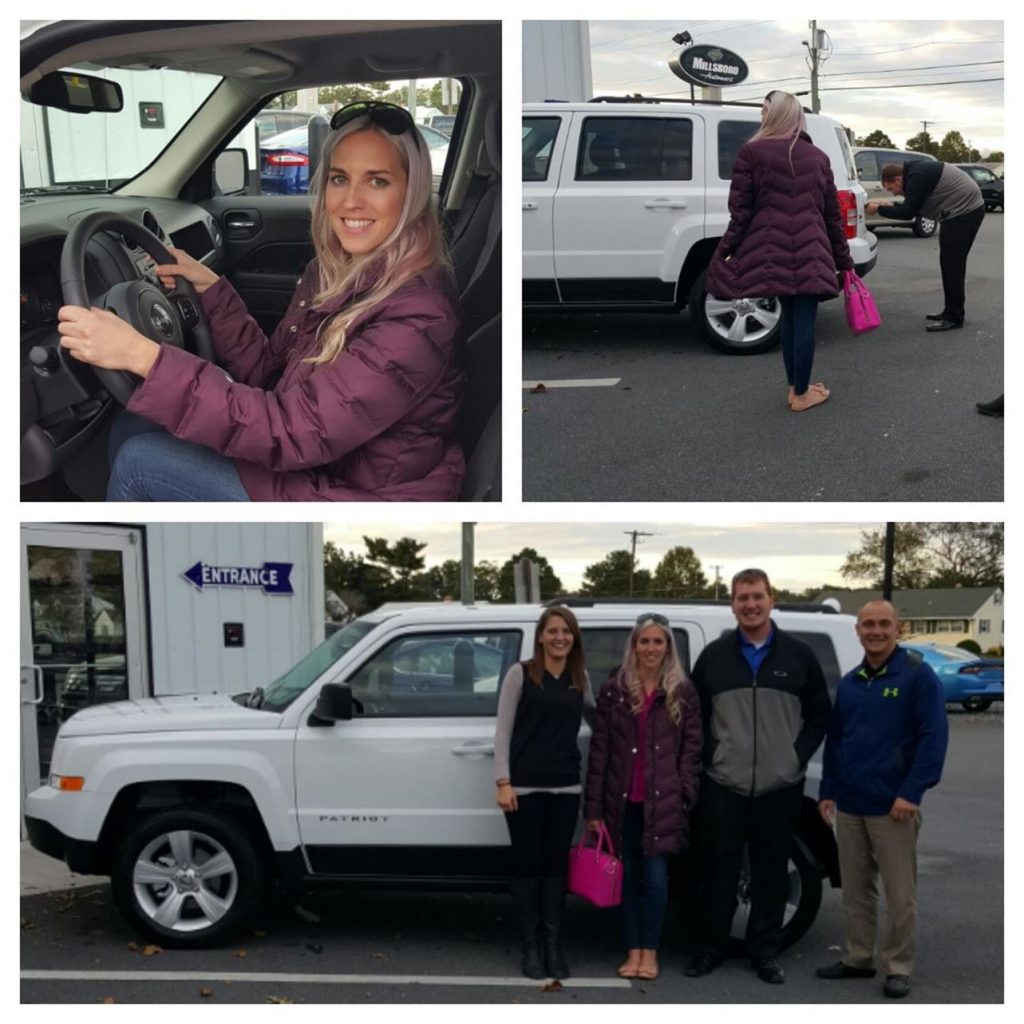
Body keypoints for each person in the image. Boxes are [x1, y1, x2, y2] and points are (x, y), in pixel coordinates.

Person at [56, 101, 464, 501]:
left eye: (377, 181)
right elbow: (272, 377)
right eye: (339, 179)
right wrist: (212, 292)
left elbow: (292, 432)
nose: (351, 201)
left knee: (139, 462)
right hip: (325, 462)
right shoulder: (337, 270)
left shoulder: (418, 313)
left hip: (359, 493)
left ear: (410, 194)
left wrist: (142, 356)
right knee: (135, 423)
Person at [685, 568, 831, 984]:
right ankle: (710, 949)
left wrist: (795, 756)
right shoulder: (714, 656)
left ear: (772, 600)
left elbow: (820, 714)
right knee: (717, 874)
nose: (750, 604)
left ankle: (764, 952)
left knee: (769, 874)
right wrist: (714, 756)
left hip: (779, 785)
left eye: (757, 596)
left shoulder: (798, 656)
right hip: (723, 785)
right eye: (742, 597)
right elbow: (695, 716)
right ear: (732, 604)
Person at [816, 600, 949, 999]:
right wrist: (827, 791)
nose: (875, 631)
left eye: (883, 624)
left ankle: (898, 966)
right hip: (851, 803)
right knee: (857, 890)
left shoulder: (916, 676)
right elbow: (837, 739)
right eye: (868, 624)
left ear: (898, 628)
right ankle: (858, 958)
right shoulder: (854, 680)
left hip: (894, 806)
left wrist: (912, 792)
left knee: (899, 893)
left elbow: (934, 738)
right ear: (857, 630)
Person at [705, 90, 853, 413]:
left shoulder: (751, 153)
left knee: (789, 318)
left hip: (771, 251)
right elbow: (831, 217)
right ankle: (801, 393)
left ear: (774, 115)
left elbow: (740, 212)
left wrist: (725, 250)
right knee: (804, 321)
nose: (761, 115)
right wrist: (844, 261)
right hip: (812, 249)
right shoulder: (818, 158)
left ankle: (796, 388)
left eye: (764, 110)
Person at [584, 614, 703, 981]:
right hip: (622, 803)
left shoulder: (683, 690)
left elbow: (692, 749)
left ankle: (650, 951)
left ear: (668, 646)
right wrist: (594, 808)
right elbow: (600, 752)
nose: (651, 648)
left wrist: (684, 792)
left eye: (658, 641)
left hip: (662, 803)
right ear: (633, 645)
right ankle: (632, 949)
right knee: (629, 877)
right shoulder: (614, 690)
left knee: (655, 881)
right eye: (644, 641)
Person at [493, 606, 595, 980]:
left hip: (566, 786)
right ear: (540, 635)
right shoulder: (520, 674)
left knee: (555, 869)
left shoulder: (578, 676)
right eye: (553, 631)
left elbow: (597, 718)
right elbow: (502, 730)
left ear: (574, 637)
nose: (559, 638)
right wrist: (503, 782)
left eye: (566, 632)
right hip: (523, 787)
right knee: (527, 868)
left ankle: (553, 945)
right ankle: (531, 947)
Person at [865, 161, 984, 333]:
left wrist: (879, 210)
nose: (894, 193)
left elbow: (908, 213)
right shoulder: (916, 173)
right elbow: (914, 206)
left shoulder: (916, 176)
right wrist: (888, 206)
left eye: (891, 188)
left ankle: (955, 316)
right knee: (949, 265)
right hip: (962, 212)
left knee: (952, 266)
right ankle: (950, 311)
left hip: (964, 212)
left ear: (897, 179)